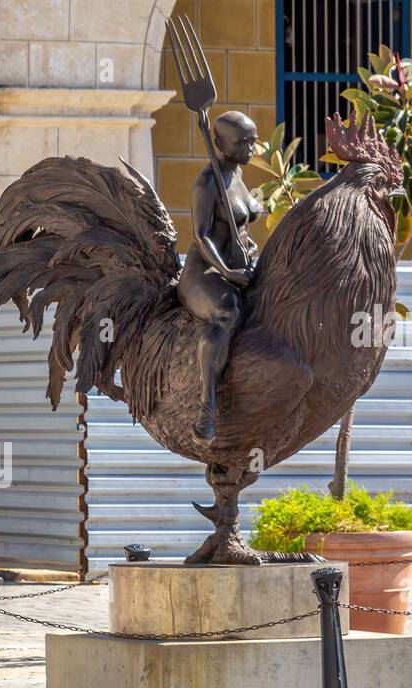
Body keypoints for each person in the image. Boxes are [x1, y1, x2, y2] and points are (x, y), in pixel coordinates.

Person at [176, 110, 264, 444]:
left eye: (253, 140)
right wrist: (226, 271)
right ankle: (207, 406)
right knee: (228, 312)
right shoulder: (208, 182)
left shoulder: (238, 176)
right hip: (205, 274)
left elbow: (243, 224)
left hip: (238, 269)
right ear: (220, 143)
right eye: (242, 141)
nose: (250, 147)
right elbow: (201, 236)